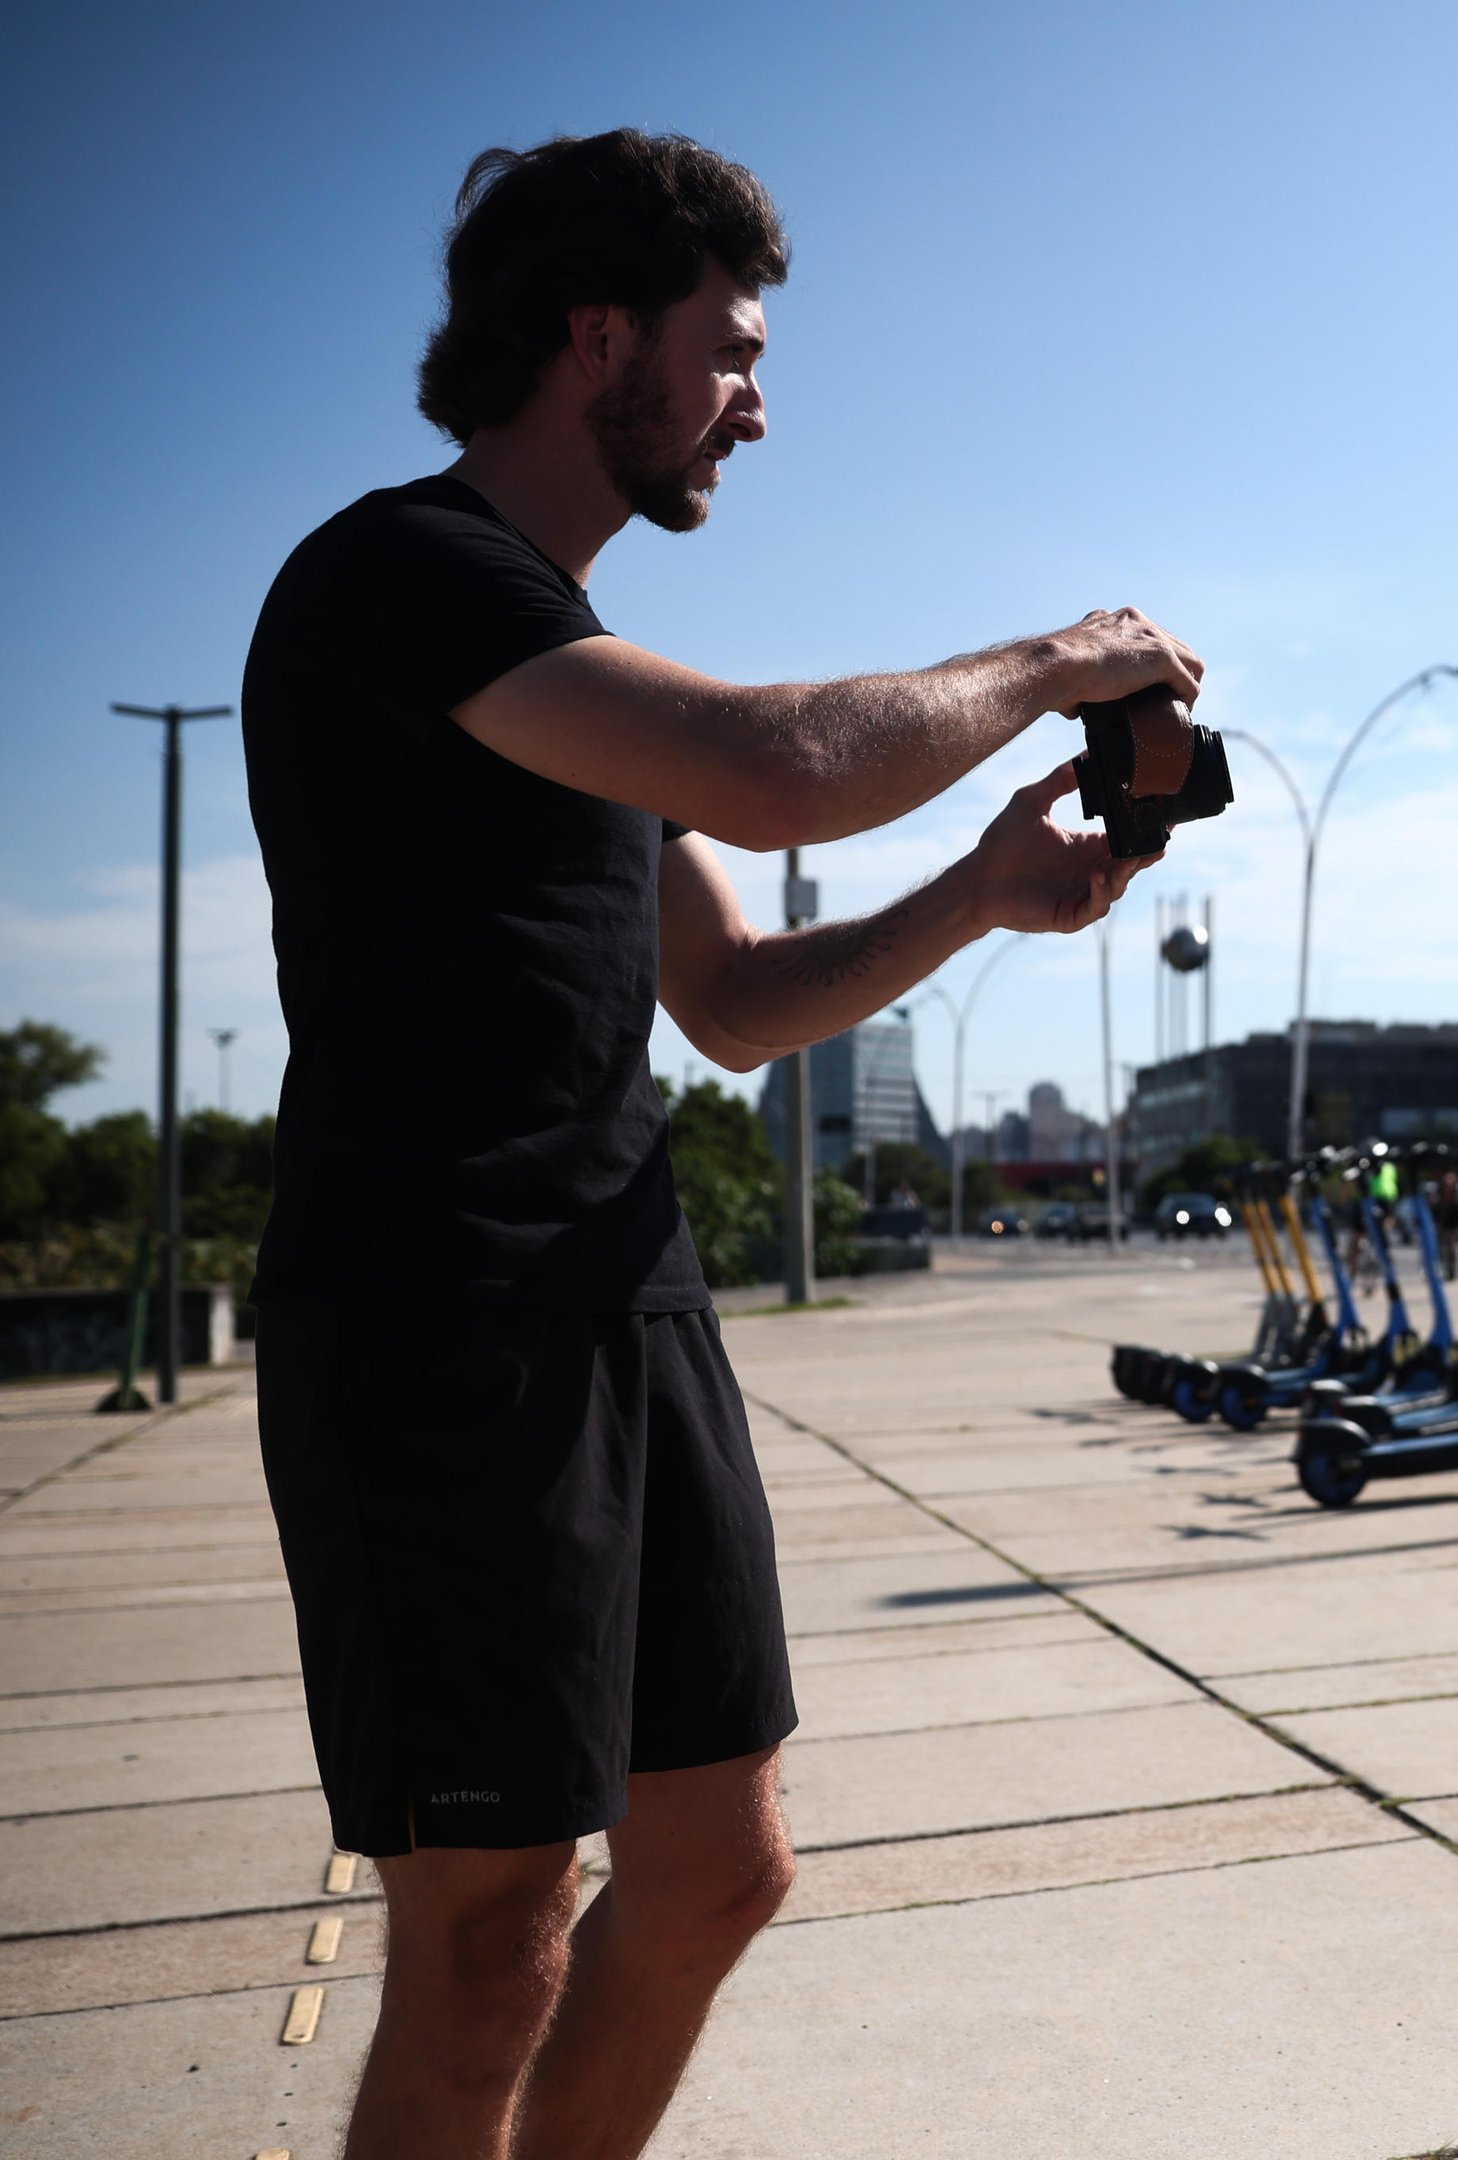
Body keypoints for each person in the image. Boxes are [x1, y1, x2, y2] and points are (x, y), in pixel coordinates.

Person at [241, 131, 1199, 2159]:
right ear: (598, 336)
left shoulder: (571, 661)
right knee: (493, 1931)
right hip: (437, 1322)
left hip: (627, 1303)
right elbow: (772, 769)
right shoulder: (403, 581)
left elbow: (734, 998)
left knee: (713, 1873)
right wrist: (1059, 662)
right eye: (729, 349)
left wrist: (974, 894)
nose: (754, 398)